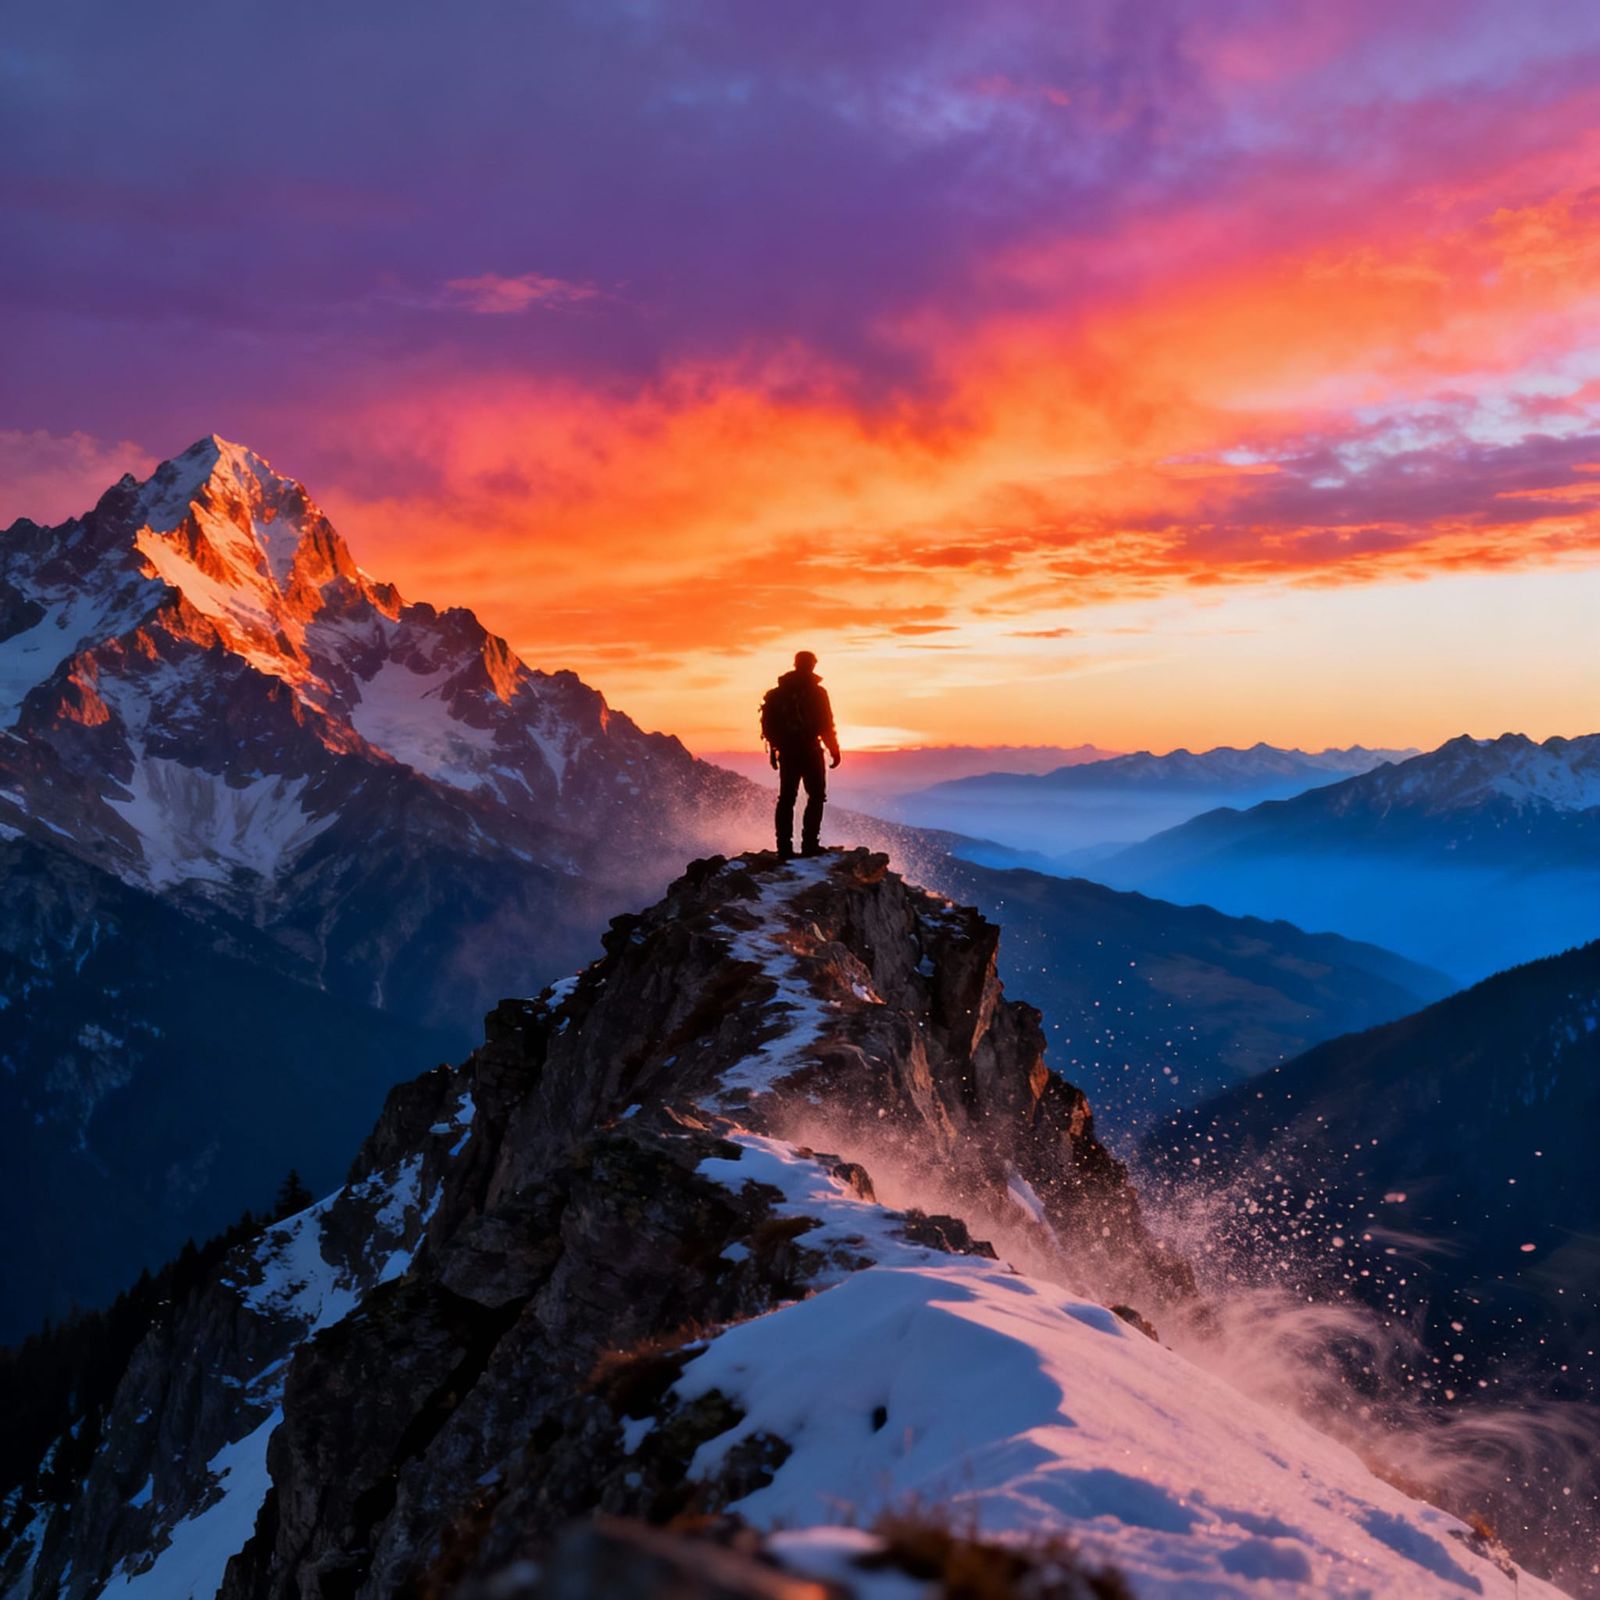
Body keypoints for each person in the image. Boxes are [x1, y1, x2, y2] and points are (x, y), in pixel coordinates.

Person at [760, 650, 841, 859]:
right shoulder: (818, 693)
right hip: (811, 750)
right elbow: (826, 723)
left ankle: (784, 849)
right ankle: (809, 845)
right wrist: (834, 749)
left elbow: (769, 727)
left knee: (786, 799)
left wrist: (775, 750)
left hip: (787, 752)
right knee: (816, 797)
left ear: (795, 664)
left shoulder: (776, 694)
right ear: (812, 665)